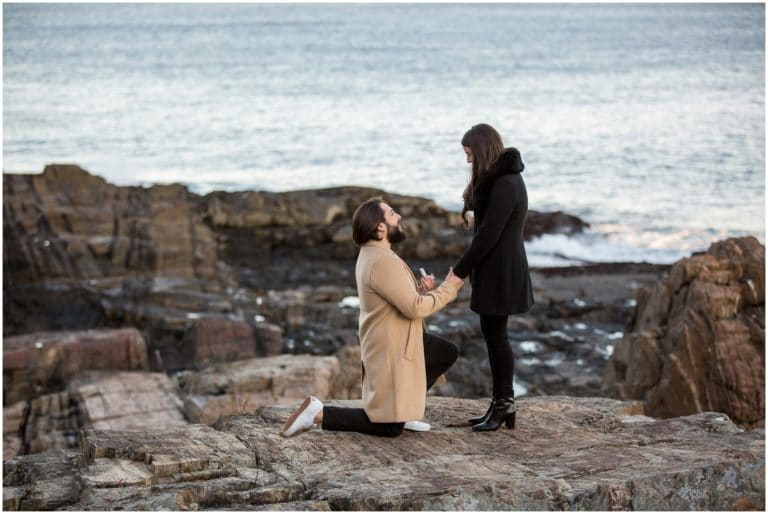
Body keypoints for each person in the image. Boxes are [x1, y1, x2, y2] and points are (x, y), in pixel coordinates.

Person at [282, 198, 465, 438]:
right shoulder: (382, 261)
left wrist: (421, 292)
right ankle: (318, 413)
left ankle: (405, 408)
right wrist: (448, 288)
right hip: (391, 347)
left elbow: (397, 300)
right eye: (391, 213)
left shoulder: (375, 255)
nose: (398, 216)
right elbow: (415, 309)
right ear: (380, 227)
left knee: (444, 352)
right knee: (388, 427)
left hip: (399, 338)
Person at [452, 123, 534, 432]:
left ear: (482, 150)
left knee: (497, 337)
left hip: (502, 271)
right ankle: (500, 402)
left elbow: (487, 237)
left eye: (470, 154)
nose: (468, 161)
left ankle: (504, 403)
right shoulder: (499, 180)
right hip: (497, 269)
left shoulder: (505, 184)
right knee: (494, 335)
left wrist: (459, 271)